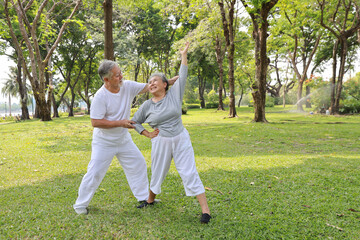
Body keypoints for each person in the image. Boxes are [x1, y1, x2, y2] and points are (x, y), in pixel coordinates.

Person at [73, 60, 177, 215]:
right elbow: (95, 122)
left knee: (138, 163)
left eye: (120, 72)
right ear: (106, 80)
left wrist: (177, 78)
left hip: (123, 139)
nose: (121, 76)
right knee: (95, 172)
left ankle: (143, 197)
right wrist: (120, 123)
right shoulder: (100, 97)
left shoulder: (126, 86)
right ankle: (80, 204)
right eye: (117, 75)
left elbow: (151, 87)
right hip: (104, 142)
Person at [131, 42, 211, 224]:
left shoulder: (175, 94)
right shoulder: (147, 105)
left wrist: (184, 55)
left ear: (165, 84)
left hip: (181, 138)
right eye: (149, 82)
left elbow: (183, 74)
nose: (151, 84)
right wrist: (146, 133)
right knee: (158, 171)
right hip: (161, 141)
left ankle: (206, 211)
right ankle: (150, 200)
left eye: (155, 81)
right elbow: (134, 121)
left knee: (189, 171)